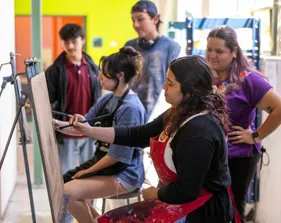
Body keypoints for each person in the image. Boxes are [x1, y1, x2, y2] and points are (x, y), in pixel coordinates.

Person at [69, 55, 236, 223]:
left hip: (202, 211)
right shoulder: (178, 112)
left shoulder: (199, 131)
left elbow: (186, 191)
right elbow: (138, 135)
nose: (164, 87)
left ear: (190, 91)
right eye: (166, 80)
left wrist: (154, 193)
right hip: (175, 197)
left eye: (170, 84)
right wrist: (89, 131)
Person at [53, 46, 146, 223]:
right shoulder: (107, 99)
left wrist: (87, 171)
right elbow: (83, 127)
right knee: (63, 182)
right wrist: (55, 124)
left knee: (67, 192)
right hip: (105, 162)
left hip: (125, 173)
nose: (99, 77)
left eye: (104, 73)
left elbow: (117, 157)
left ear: (120, 75)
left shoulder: (130, 108)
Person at [206, 25, 281, 222]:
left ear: (234, 52)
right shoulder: (206, 75)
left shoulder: (248, 80)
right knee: (210, 208)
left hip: (238, 156)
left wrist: (255, 136)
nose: (212, 55)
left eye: (219, 51)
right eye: (209, 49)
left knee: (231, 208)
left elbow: (279, 109)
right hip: (211, 153)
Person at [45, 23, 102, 174]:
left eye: (74, 41)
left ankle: (84, 199)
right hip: (66, 134)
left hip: (90, 131)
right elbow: (48, 102)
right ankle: (66, 199)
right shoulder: (54, 71)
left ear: (82, 40)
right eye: (66, 42)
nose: (70, 46)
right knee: (65, 176)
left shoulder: (93, 67)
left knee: (89, 174)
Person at [125, 0, 181, 119]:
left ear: (155, 19)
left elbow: (177, 85)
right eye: (133, 20)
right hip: (132, 114)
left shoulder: (172, 48)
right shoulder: (129, 47)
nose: (135, 25)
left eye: (140, 19)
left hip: (160, 115)